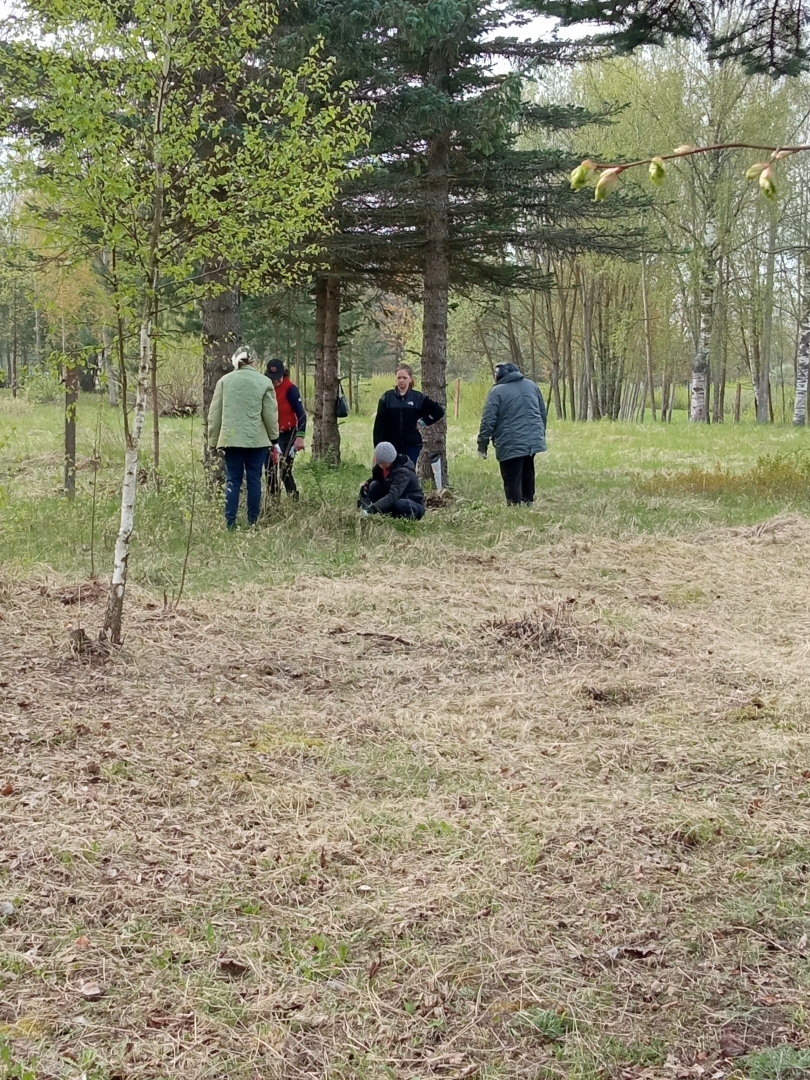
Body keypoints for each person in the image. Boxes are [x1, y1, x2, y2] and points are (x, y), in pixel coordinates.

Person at [208, 345, 279, 528]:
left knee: (233, 479)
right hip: (256, 441)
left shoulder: (224, 381)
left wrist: (213, 441)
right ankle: (253, 522)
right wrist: (274, 439)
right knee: (254, 480)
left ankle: (230, 523)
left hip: (231, 440)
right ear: (254, 361)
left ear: (235, 360)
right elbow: (270, 415)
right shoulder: (264, 382)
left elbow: (215, 414)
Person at [477, 362, 548, 507]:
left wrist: (482, 444)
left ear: (498, 376)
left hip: (510, 441)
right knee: (527, 470)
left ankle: (515, 506)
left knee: (511, 476)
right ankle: (528, 502)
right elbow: (542, 413)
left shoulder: (496, 392)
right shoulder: (532, 385)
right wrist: (539, 433)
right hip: (533, 440)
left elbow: (488, 420)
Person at [372, 365, 445, 465]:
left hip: (412, 445)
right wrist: (378, 448)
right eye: (399, 377)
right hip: (391, 445)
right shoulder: (387, 398)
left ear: (410, 379)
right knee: (393, 472)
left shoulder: (418, 397)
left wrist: (423, 422)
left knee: (408, 472)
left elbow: (438, 411)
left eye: (404, 378)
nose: (401, 380)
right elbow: (379, 425)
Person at [265, 358, 306, 500]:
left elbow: (301, 415)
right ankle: (272, 501)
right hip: (269, 435)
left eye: (278, 378)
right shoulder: (264, 387)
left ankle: (294, 499)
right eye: (272, 379)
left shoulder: (290, 389)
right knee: (269, 470)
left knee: (284, 470)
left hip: (288, 434)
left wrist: (300, 437)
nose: (275, 382)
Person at [358, 441, 425, 520]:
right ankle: (385, 511)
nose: (379, 465)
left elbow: (392, 496)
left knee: (399, 504)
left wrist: (372, 509)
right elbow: (378, 479)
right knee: (374, 485)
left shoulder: (403, 472)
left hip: (411, 503)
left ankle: (393, 514)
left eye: (380, 463)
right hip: (395, 499)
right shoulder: (384, 467)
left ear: (388, 461)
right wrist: (367, 486)